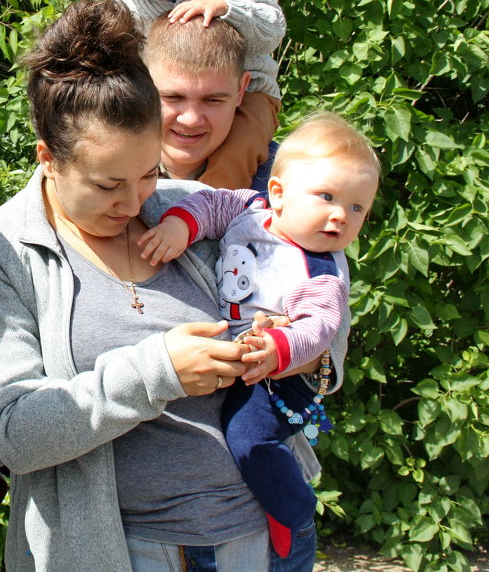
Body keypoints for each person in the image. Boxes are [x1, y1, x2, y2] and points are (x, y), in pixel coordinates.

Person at [0, 0, 343, 572]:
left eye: (145, 174)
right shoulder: (5, 249)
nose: (135, 201)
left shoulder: (190, 212)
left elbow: (327, 350)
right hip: (116, 552)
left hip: (255, 537)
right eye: (110, 184)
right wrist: (157, 370)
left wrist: (291, 351)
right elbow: (15, 432)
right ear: (48, 159)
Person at [139, 112, 378, 559]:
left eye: (357, 207)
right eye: (326, 197)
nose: (340, 216)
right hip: (242, 358)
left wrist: (278, 349)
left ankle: (292, 509)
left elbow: (320, 326)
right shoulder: (251, 210)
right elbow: (209, 206)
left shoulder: (322, 270)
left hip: (275, 378)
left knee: (249, 440)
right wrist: (179, 226)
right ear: (278, 194)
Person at [89, 0, 284, 190]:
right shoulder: (126, 1)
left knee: (238, 155)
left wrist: (227, 5)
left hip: (251, 92)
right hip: (165, 102)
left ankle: (208, 215)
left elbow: (273, 28)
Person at [143, 15, 277, 193]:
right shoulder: (102, 170)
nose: (191, 120)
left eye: (213, 100)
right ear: (143, 84)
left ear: (241, 90)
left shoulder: (291, 186)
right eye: (173, 97)